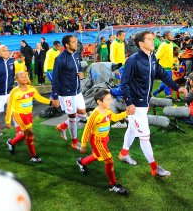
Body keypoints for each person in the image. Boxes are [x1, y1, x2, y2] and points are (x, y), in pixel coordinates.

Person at [118, 31, 187, 177]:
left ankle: (124, 153)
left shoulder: (152, 58)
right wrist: (129, 103)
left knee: (131, 129)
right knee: (145, 136)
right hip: (135, 104)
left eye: (153, 39)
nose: (153, 42)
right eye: (149, 39)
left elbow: (163, 75)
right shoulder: (133, 60)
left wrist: (177, 88)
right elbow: (124, 83)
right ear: (141, 43)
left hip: (144, 102)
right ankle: (154, 167)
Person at [77, 89, 128, 195]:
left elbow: (115, 117)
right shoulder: (94, 115)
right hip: (97, 141)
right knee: (109, 161)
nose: (110, 102)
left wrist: (126, 113)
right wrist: (83, 144)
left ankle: (81, 162)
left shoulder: (108, 111)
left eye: (111, 99)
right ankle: (113, 185)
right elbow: (87, 130)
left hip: (105, 139)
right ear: (99, 102)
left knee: (96, 155)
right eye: (108, 100)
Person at [5, 71, 58, 163]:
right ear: (17, 80)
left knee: (25, 133)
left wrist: (50, 102)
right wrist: (8, 120)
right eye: (22, 77)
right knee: (30, 134)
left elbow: (39, 98)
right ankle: (33, 156)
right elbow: (10, 106)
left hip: (29, 114)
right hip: (19, 115)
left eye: (25, 76)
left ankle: (11, 142)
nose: (25, 78)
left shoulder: (31, 88)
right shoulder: (14, 91)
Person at [52, 35, 87, 150]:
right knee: (72, 117)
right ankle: (74, 141)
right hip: (66, 93)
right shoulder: (60, 59)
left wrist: (81, 73)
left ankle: (62, 126)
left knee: (82, 114)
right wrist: (55, 96)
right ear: (67, 45)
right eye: (73, 42)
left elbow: (78, 68)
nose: (76, 43)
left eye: (76, 41)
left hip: (77, 91)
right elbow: (55, 78)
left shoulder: (76, 54)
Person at [153, 31, 176, 98]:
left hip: (169, 66)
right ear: (166, 37)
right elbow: (157, 56)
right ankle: (168, 97)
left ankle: (156, 92)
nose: (172, 36)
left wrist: (173, 63)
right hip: (164, 67)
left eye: (172, 34)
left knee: (166, 82)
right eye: (170, 35)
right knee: (168, 82)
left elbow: (170, 55)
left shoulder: (171, 43)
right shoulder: (163, 45)